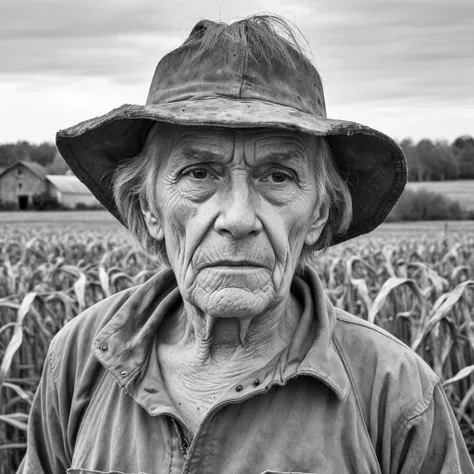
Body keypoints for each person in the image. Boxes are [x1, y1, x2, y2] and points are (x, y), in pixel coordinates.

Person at [19, 15, 473, 474]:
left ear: (318, 213)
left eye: (278, 176)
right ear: (150, 207)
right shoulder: (82, 356)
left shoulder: (396, 393)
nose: (237, 218)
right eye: (199, 173)